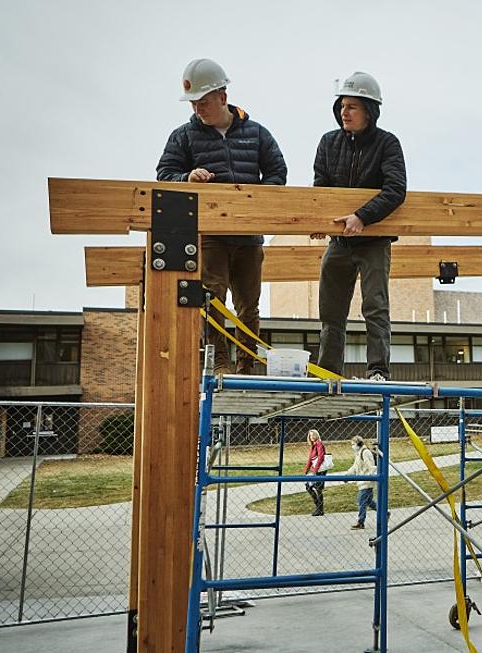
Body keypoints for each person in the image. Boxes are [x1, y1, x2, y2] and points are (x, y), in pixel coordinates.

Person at [157, 58, 288, 375]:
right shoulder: (184, 137)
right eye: (193, 104)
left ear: (222, 97)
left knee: (248, 305)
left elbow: (277, 173)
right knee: (212, 300)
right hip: (211, 235)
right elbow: (164, 176)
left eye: (203, 102)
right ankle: (218, 363)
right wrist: (187, 177)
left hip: (248, 236)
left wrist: (253, 199)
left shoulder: (256, 133)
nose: (197, 110)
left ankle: (245, 365)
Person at [310, 72, 407, 381]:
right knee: (331, 311)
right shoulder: (328, 142)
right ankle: (327, 373)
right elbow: (321, 189)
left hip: (374, 239)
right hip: (340, 241)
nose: (344, 112)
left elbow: (395, 189)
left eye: (352, 106)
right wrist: (320, 222)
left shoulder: (387, 144)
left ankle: (378, 371)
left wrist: (362, 216)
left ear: (369, 110)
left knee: (375, 305)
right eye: (342, 106)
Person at [343, 435, 378, 530]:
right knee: (369, 502)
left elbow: (371, 466)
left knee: (361, 501)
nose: (352, 446)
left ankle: (360, 522)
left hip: (366, 481)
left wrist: (369, 477)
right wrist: (347, 476)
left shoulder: (365, 452)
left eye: (353, 444)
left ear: (358, 443)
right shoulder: (358, 453)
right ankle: (385, 512)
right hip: (362, 481)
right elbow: (355, 467)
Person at [303, 429, 327, 516]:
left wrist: (315, 470)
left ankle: (320, 509)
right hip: (315, 470)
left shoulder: (319, 444)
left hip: (320, 470)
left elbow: (321, 458)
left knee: (318, 489)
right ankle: (318, 506)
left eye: (313, 435)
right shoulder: (313, 446)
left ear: (317, 435)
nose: (312, 437)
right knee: (308, 486)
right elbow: (310, 459)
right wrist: (306, 470)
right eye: (310, 435)